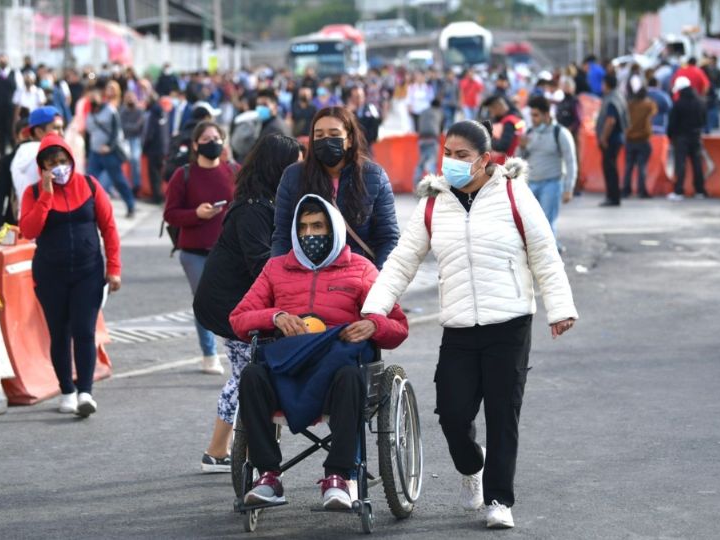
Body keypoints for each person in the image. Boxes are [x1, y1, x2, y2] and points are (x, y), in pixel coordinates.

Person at [361, 120, 578, 529]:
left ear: (485, 159)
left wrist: (560, 307)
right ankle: (471, 467)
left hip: (510, 322)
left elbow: (544, 253)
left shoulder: (513, 193)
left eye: (462, 156)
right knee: (452, 414)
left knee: (502, 413)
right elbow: (402, 261)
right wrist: (376, 307)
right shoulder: (432, 203)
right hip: (459, 325)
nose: (452, 162)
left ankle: (499, 499)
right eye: (448, 153)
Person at [233, 195, 408, 510]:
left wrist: (372, 326)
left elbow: (398, 326)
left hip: (337, 375)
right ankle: (268, 475)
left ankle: (338, 476)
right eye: (303, 228)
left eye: (317, 226)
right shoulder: (276, 268)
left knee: (350, 377)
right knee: (251, 376)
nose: (309, 234)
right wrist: (274, 316)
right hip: (287, 369)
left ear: (334, 229)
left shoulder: (360, 269)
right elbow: (239, 319)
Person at [193, 135, 302, 473]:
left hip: (241, 302)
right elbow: (262, 264)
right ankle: (217, 451)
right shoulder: (253, 209)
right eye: (295, 166)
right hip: (231, 305)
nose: (300, 172)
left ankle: (218, 450)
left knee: (245, 374)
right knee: (245, 376)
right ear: (278, 168)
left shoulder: (265, 203)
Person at [19, 133, 122, 417]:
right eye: (52, 164)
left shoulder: (89, 185)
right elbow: (29, 230)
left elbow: (109, 227)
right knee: (59, 334)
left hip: (88, 273)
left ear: (71, 160)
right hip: (50, 275)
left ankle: (85, 392)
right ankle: (67, 389)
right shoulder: (33, 193)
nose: (59, 168)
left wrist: (114, 268)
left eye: (63, 161)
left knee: (84, 331)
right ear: (43, 167)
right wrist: (47, 195)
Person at [271, 107, 399, 270]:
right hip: (308, 279)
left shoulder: (374, 176)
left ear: (350, 139)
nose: (326, 140)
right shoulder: (293, 176)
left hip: (358, 279)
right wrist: (280, 278)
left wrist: (379, 282)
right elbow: (282, 236)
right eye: (319, 135)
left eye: (334, 135)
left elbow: (388, 238)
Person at [163, 122, 236, 375]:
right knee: (203, 301)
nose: (212, 142)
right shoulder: (183, 174)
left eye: (217, 137)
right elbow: (171, 214)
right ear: (195, 145)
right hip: (194, 251)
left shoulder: (234, 171)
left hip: (228, 251)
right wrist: (196, 213)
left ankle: (237, 349)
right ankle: (209, 353)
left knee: (234, 300)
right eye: (206, 138)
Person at [518, 96, 577, 248]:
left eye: (536, 115)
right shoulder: (530, 132)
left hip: (552, 184)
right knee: (530, 223)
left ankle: (550, 254)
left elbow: (571, 162)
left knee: (546, 222)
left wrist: (568, 189)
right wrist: (522, 147)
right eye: (531, 115)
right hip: (531, 184)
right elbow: (520, 159)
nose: (533, 119)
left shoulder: (560, 133)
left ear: (546, 115)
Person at [87, 81, 136, 218]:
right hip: (94, 152)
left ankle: (130, 205)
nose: (92, 97)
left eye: (95, 94)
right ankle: (90, 210)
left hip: (109, 153)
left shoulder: (110, 110)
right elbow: (89, 133)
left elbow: (116, 132)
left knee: (118, 180)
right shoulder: (90, 113)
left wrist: (109, 146)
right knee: (90, 181)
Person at [10, 106, 65, 202]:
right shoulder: (45, 155)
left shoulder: (20, 154)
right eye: (56, 128)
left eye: (62, 128)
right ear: (39, 131)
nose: (62, 134)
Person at [667, 77, 707, 201]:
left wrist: (671, 136)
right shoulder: (700, 101)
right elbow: (704, 120)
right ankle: (700, 191)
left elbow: (672, 123)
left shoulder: (678, 104)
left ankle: (679, 191)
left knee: (680, 165)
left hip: (681, 138)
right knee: (697, 164)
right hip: (696, 136)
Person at [0, 117, 29, 234]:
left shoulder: (46, 160)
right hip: (14, 224)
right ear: (17, 136)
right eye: (25, 134)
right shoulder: (6, 162)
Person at [596, 73, 629, 207]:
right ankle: (613, 196)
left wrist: (603, 137)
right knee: (611, 167)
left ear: (607, 84)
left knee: (610, 169)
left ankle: (613, 197)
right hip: (617, 138)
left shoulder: (611, 100)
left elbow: (611, 121)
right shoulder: (618, 96)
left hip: (611, 139)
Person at [622, 81, 657, 199]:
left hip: (630, 138)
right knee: (642, 166)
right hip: (643, 139)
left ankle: (626, 189)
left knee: (628, 166)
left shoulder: (629, 105)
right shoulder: (648, 105)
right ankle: (642, 191)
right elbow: (654, 111)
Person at [141, 89, 167, 204]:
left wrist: (145, 147)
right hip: (163, 148)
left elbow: (149, 133)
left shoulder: (152, 113)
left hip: (154, 149)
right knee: (159, 173)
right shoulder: (163, 112)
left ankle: (156, 197)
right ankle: (159, 195)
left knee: (154, 174)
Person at [481, 95, 524, 165]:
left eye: (491, 110)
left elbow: (503, 146)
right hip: (514, 159)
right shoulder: (515, 117)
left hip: (506, 163)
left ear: (497, 106)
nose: (491, 113)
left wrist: (488, 140)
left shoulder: (508, 123)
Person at [120, 91, 145, 196]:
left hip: (136, 139)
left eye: (132, 97)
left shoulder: (140, 111)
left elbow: (138, 126)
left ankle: (136, 186)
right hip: (125, 139)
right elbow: (122, 126)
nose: (130, 99)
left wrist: (129, 127)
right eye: (128, 97)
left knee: (135, 160)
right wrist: (131, 127)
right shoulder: (122, 111)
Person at [414, 99, 443, 181]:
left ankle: (416, 185)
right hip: (432, 139)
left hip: (421, 139)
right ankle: (433, 185)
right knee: (432, 162)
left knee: (421, 164)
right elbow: (441, 127)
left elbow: (417, 124)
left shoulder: (423, 112)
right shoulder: (438, 112)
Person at [343, 85, 380, 150]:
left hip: (366, 146)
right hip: (351, 148)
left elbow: (375, 129)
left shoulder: (370, 108)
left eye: (360, 96)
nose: (359, 99)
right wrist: (348, 113)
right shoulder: (346, 111)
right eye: (355, 97)